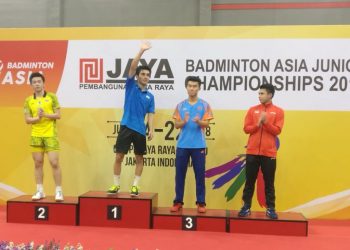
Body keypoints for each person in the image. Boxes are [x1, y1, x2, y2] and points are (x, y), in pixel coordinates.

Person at [107, 41, 155, 197]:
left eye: (148, 75)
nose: (145, 77)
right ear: (137, 76)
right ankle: (116, 185)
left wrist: (151, 129)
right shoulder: (130, 86)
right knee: (119, 156)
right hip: (126, 126)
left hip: (140, 130)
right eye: (142, 74)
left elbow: (151, 114)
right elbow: (133, 66)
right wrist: (141, 51)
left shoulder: (150, 96)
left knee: (139, 158)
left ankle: (135, 186)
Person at [238, 83, 284, 219]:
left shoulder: (279, 111)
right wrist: (257, 124)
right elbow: (246, 129)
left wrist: (266, 123)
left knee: (269, 182)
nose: (259, 96)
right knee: (249, 181)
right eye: (259, 93)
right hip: (252, 152)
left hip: (269, 153)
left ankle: (271, 208)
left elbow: (277, 131)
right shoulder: (252, 110)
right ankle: (246, 206)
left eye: (262, 93)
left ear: (270, 95)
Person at [170, 76, 213, 213]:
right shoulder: (180, 105)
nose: (192, 88)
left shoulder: (204, 105)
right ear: (186, 87)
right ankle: (178, 201)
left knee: (199, 175)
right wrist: (184, 121)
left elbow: (207, 123)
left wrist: (199, 121)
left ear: (199, 88)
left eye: (195, 86)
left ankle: (201, 203)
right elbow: (176, 125)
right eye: (190, 85)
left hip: (198, 146)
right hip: (182, 145)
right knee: (180, 175)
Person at [24, 72, 63, 201]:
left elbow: (58, 115)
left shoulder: (52, 97)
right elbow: (27, 119)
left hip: (50, 134)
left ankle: (58, 191)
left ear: (43, 83)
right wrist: (37, 117)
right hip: (36, 135)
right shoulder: (28, 100)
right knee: (38, 163)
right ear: (31, 85)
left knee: (54, 162)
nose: (37, 84)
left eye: (39, 81)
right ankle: (40, 190)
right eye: (34, 82)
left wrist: (45, 114)